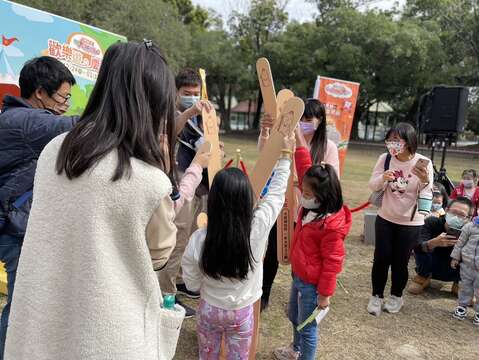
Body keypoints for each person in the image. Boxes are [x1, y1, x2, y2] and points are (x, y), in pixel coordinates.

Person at [4, 41, 178, 360]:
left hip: (44, 325)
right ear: (154, 104)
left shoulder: (55, 151)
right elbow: (159, 255)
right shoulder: (148, 180)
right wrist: (164, 171)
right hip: (109, 337)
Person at [181, 135, 294, 360]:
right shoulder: (258, 227)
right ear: (246, 201)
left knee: (207, 354)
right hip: (242, 311)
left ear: (213, 201)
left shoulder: (200, 238)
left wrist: (202, 286)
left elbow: (191, 281)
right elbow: (276, 196)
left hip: (209, 308)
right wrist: (285, 158)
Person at [0, 56, 78, 358]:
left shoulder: (14, 117)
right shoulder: (29, 121)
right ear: (40, 93)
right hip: (12, 230)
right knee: (21, 306)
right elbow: (78, 127)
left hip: (10, 223)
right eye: (63, 96)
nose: (66, 104)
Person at [273, 127, 351, 360]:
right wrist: (297, 137)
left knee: (308, 328)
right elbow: (304, 165)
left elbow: (332, 264)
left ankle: (303, 352)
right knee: (296, 317)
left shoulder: (330, 226)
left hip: (312, 286)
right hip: (299, 276)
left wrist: (324, 295)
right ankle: (295, 350)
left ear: (321, 197)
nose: (301, 193)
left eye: (306, 192)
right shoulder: (312, 206)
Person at [258, 98, 340, 311]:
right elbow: (265, 155)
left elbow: (329, 179)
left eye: (308, 118)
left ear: (320, 121)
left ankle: (300, 297)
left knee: (303, 257)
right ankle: (264, 293)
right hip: (282, 205)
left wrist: (299, 181)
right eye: (300, 118)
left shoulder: (328, 147)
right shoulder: (285, 139)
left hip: (308, 211)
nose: (303, 122)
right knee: (275, 251)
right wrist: (266, 132)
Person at [158, 68, 214, 318]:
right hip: (180, 179)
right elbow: (172, 132)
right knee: (177, 239)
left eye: (195, 93)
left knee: (191, 236)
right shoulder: (168, 111)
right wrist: (191, 111)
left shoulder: (204, 114)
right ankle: (166, 296)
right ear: (176, 92)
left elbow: (205, 139)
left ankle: (179, 280)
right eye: (186, 93)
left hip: (199, 181)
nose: (192, 97)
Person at [367, 122, 434, 316]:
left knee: (400, 262)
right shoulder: (385, 159)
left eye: (396, 140)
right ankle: (376, 296)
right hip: (385, 217)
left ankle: (396, 296)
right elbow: (372, 184)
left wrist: (424, 181)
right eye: (389, 140)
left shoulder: (423, 162)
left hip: (411, 222)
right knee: (380, 259)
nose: (392, 144)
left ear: (409, 141)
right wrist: (383, 179)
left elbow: (427, 193)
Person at [408, 197, 473, 295]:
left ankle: (460, 283)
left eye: (461, 215)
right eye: (454, 212)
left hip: (455, 269)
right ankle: (423, 277)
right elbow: (416, 246)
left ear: (469, 218)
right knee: (423, 247)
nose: (456, 217)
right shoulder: (431, 222)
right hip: (430, 265)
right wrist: (433, 243)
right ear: (446, 210)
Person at [451, 215, 479, 326]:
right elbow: (460, 243)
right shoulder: (470, 226)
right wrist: (455, 257)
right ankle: (462, 306)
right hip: (467, 264)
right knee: (465, 287)